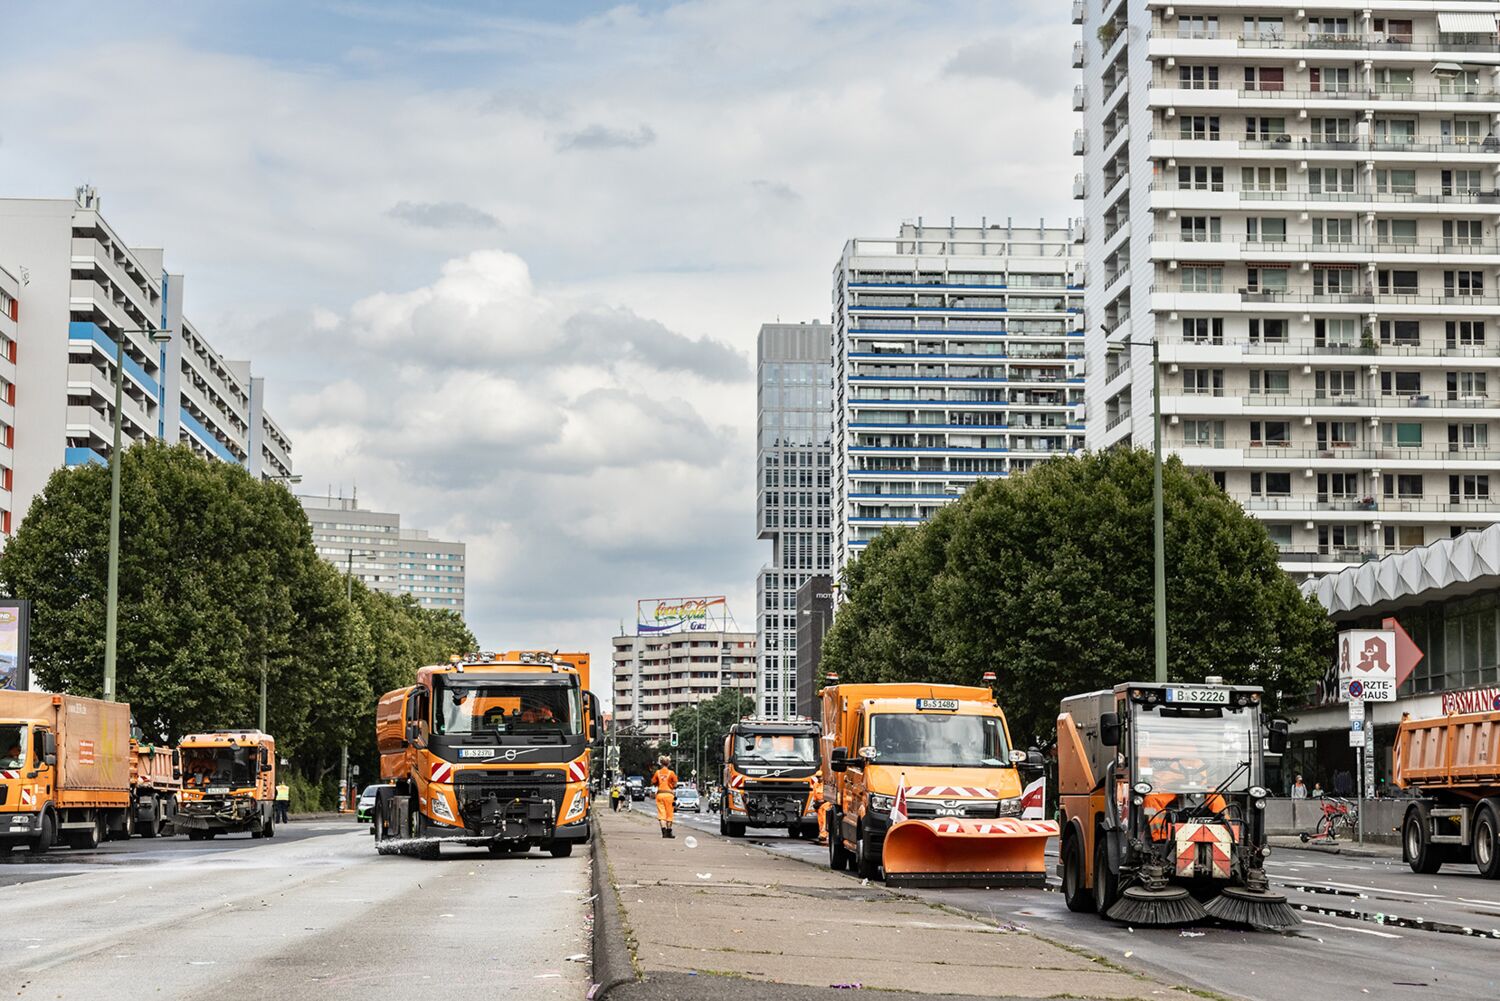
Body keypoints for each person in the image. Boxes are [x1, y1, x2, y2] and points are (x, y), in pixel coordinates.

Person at [651, 755, 678, 838]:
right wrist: (671, 785)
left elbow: (653, 782)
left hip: (660, 794)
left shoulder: (657, 772)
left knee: (661, 813)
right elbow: (675, 784)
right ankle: (669, 832)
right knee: (669, 813)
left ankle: (664, 832)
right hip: (669, 794)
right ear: (668, 764)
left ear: (661, 764)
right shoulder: (671, 773)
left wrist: (658, 783)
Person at [811, 773, 829, 845]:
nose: (819, 779)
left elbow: (828, 797)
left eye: (820, 777)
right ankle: (822, 834)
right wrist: (815, 804)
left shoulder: (826, 784)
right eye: (817, 777)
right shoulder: (816, 784)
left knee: (824, 820)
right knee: (820, 821)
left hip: (826, 804)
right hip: (819, 806)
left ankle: (824, 835)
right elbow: (815, 795)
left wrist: (823, 802)